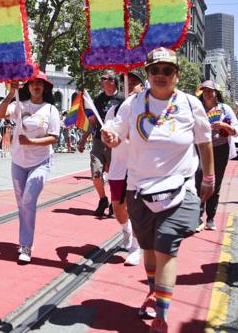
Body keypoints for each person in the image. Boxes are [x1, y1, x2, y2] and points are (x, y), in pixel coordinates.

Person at [101, 47, 214, 332]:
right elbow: (116, 134)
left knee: (166, 246)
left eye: (167, 70)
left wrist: (209, 177)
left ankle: (162, 315)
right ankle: (153, 290)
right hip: (139, 190)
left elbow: (204, 142)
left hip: (180, 189)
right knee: (149, 248)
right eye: (155, 70)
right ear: (148, 74)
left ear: (177, 75)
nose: (161, 75)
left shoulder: (191, 104)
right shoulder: (133, 103)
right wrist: (111, 138)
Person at [0, 72, 60, 264]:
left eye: (40, 83)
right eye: (32, 83)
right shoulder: (19, 104)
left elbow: (54, 138)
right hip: (18, 162)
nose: (36, 86)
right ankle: (25, 239)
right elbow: (0, 114)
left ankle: (26, 245)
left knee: (28, 200)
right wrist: (10, 94)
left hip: (40, 162)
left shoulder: (50, 110)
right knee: (21, 204)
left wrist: (31, 141)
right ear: (28, 87)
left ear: (45, 87)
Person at [104, 69, 146, 266]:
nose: (129, 85)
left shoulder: (148, 109)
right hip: (118, 165)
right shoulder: (114, 111)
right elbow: (110, 134)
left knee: (137, 207)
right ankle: (126, 229)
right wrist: (109, 136)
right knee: (118, 207)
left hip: (139, 166)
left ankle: (137, 247)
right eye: (126, 82)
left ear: (143, 85)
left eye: (134, 81)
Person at [79, 69, 124, 218]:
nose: (101, 80)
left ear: (112, 81)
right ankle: (103, 199)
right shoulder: (98, 99)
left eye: (104, 78)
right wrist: (84, 138)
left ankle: (114, 203)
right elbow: (92, 121)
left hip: (116, 143)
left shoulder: (123, 99)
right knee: (96, 173)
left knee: (114, 176)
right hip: (99, 140)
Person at [195, 80, 238, 231]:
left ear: (216, 93)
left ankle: (210, 218)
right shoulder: (197, 107)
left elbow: (236, 129)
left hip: (220, 149)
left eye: (210, 91)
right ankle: (198, 216)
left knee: (216, 182)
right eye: (205, 90)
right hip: (200, 149)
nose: (207, 93)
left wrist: (223, 125)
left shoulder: (224, 108)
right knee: (199, 179)